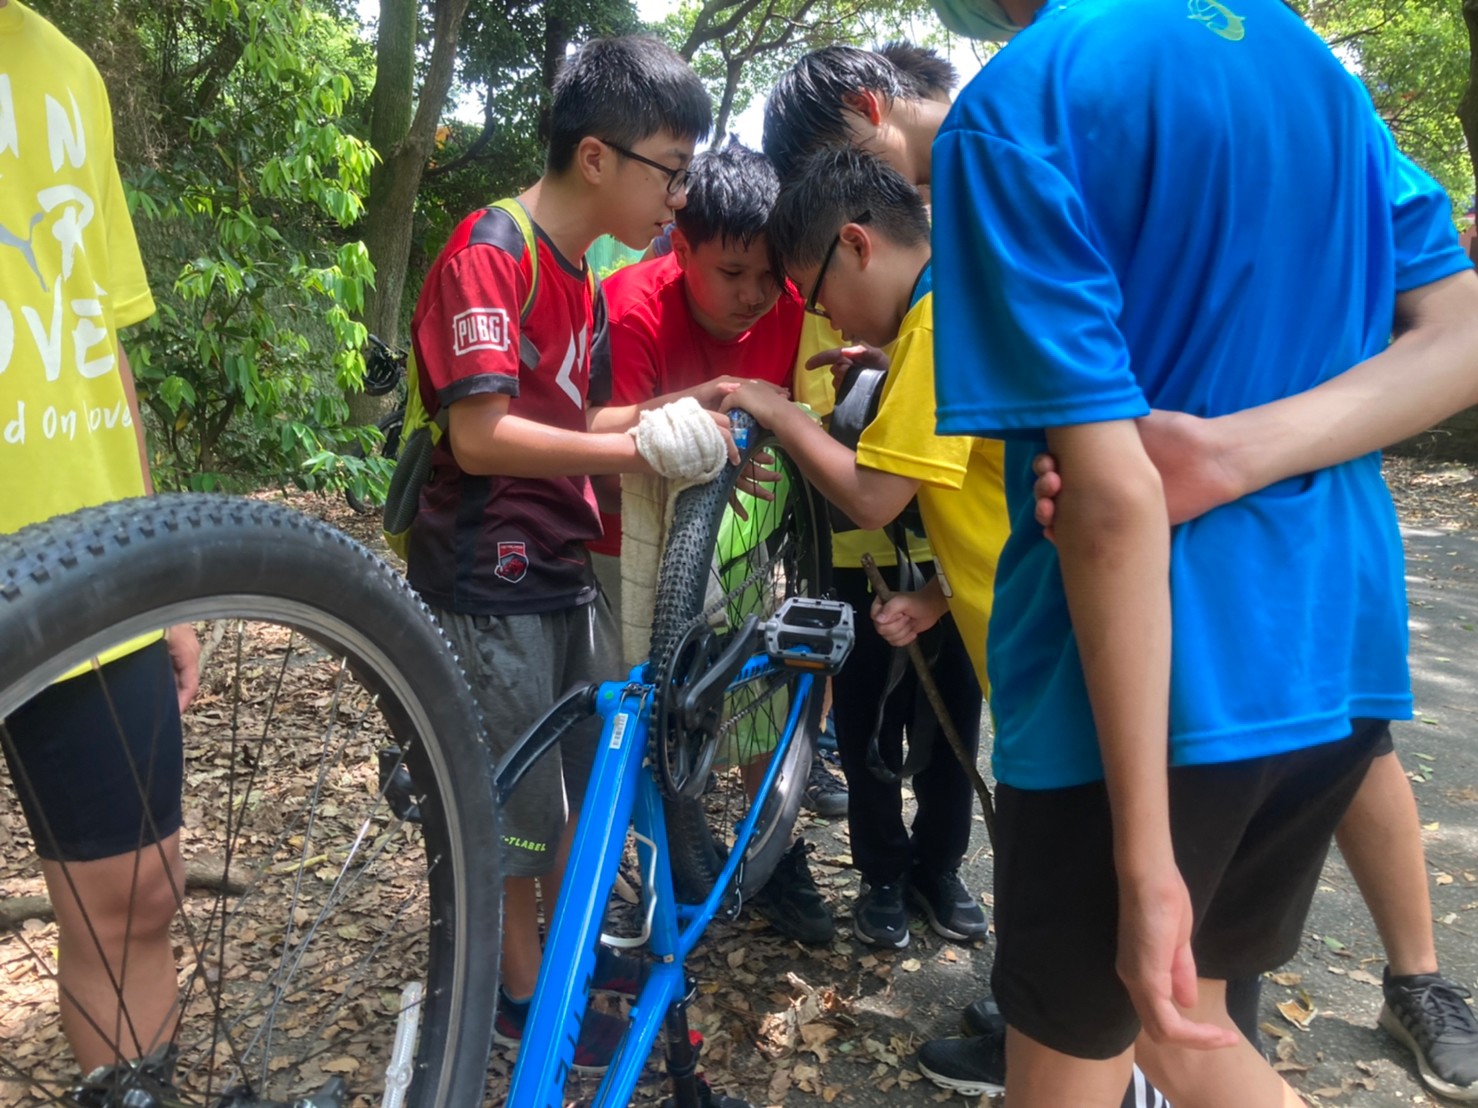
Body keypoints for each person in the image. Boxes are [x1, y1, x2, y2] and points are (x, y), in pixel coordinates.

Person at [766, 30, 1478, 1103]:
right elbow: (1456, 330)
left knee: (1105, 1046)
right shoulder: (1311, 73)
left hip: (1142, 687)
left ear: (865, 112)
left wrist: (1141, 855)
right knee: (1199, 1021)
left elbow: (1105, 500)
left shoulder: (1018, 106)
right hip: (1330, 638)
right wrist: (1237, 451)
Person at [402, 34, 735, 1075]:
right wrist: (630, 445)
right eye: (669, 170)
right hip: (482, 567)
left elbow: (575, 411)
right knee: (514, 801)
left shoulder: (578, 274)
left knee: (584, 776)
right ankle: (515, 992)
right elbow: (480, 434)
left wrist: (684, 413)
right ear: (597, 157)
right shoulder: (488, 250)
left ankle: (564, 966)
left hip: (556, 562)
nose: (676, 198)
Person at [721, 146, 994, 952]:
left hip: (1021, 614)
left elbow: (875, 494)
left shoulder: (938, 321)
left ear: (856, 244)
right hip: (959, 589)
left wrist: (783, 415)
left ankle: (1043, 1041)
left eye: (817, 293)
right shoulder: (945, 307)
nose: (828, 317)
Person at [0, 0, 201, 1081]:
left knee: (135, 892)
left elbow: (97, 340)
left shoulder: (68, 68)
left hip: (83, 553)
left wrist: (151, 571)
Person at [593, 139, 846, 945]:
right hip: (624, 535)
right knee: (638, 709)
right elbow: (599, 447)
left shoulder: (791, 311)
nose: (754, 296)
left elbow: (796, 413)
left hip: (743, 535)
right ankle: (645, 870)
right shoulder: (632, 306)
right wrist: (694, 408)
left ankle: (771, 855)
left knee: (750, 703)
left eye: (770, 277)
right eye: (731, 274)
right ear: (682, 244)